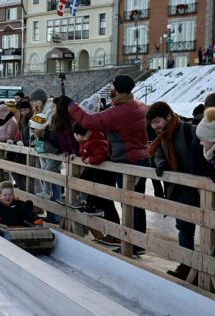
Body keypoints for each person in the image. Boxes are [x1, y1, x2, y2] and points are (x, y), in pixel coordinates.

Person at [68, 74, 150, 255]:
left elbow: (90, 121)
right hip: (138, 159)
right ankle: (136, 243)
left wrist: (70, 106)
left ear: (118, 88)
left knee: (131, 204)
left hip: (129, 161)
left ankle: (134, 244)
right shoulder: (135, 106)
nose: (110, 86)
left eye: (112, 84)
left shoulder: (121, 111)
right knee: (134, 203)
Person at [146, 101, 200, 279]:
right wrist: (161, 165)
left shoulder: (187, 130)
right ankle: (186, 265)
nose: (155, 126)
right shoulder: (162, 137)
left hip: (197, 188)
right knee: (184, 227)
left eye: (157, 121)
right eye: (152, 123)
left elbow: (200, 155)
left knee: (209, 229)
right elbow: (159, 155)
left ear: (168, 116)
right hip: (178, 189)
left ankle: (208, 270)